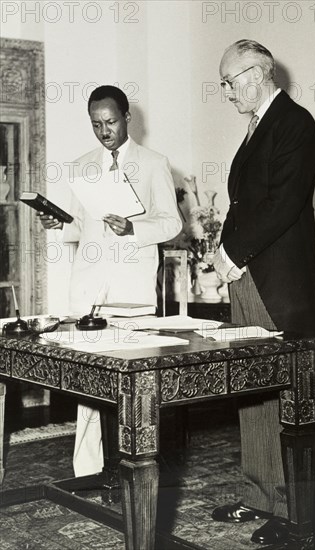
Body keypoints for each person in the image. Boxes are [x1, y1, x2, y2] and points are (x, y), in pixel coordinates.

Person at [38, 85, 182, 477]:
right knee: (90, 385)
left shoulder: (154, 163)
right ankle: (88, 472)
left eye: (111, 122)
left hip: (131, 289)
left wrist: (132, 227)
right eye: (96, 124)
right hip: (88, 287)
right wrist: (58, 223)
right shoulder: (83, 164)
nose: (105, 132)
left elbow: (172, 222)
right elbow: (78, 227)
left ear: (127, 119)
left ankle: (136, 468)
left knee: (135, 384)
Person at [211, 40, 315, 546]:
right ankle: (257, 495)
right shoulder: (257, 129)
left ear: (256, 74)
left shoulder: (296, 125)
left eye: (229, 82)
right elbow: (242, 202)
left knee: (285, 397)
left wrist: (235, 254)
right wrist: (221, 251)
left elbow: (282, 205)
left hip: (279, 283)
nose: (227, 92)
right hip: (247, 275)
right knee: (251, 388)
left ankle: (291, 510)